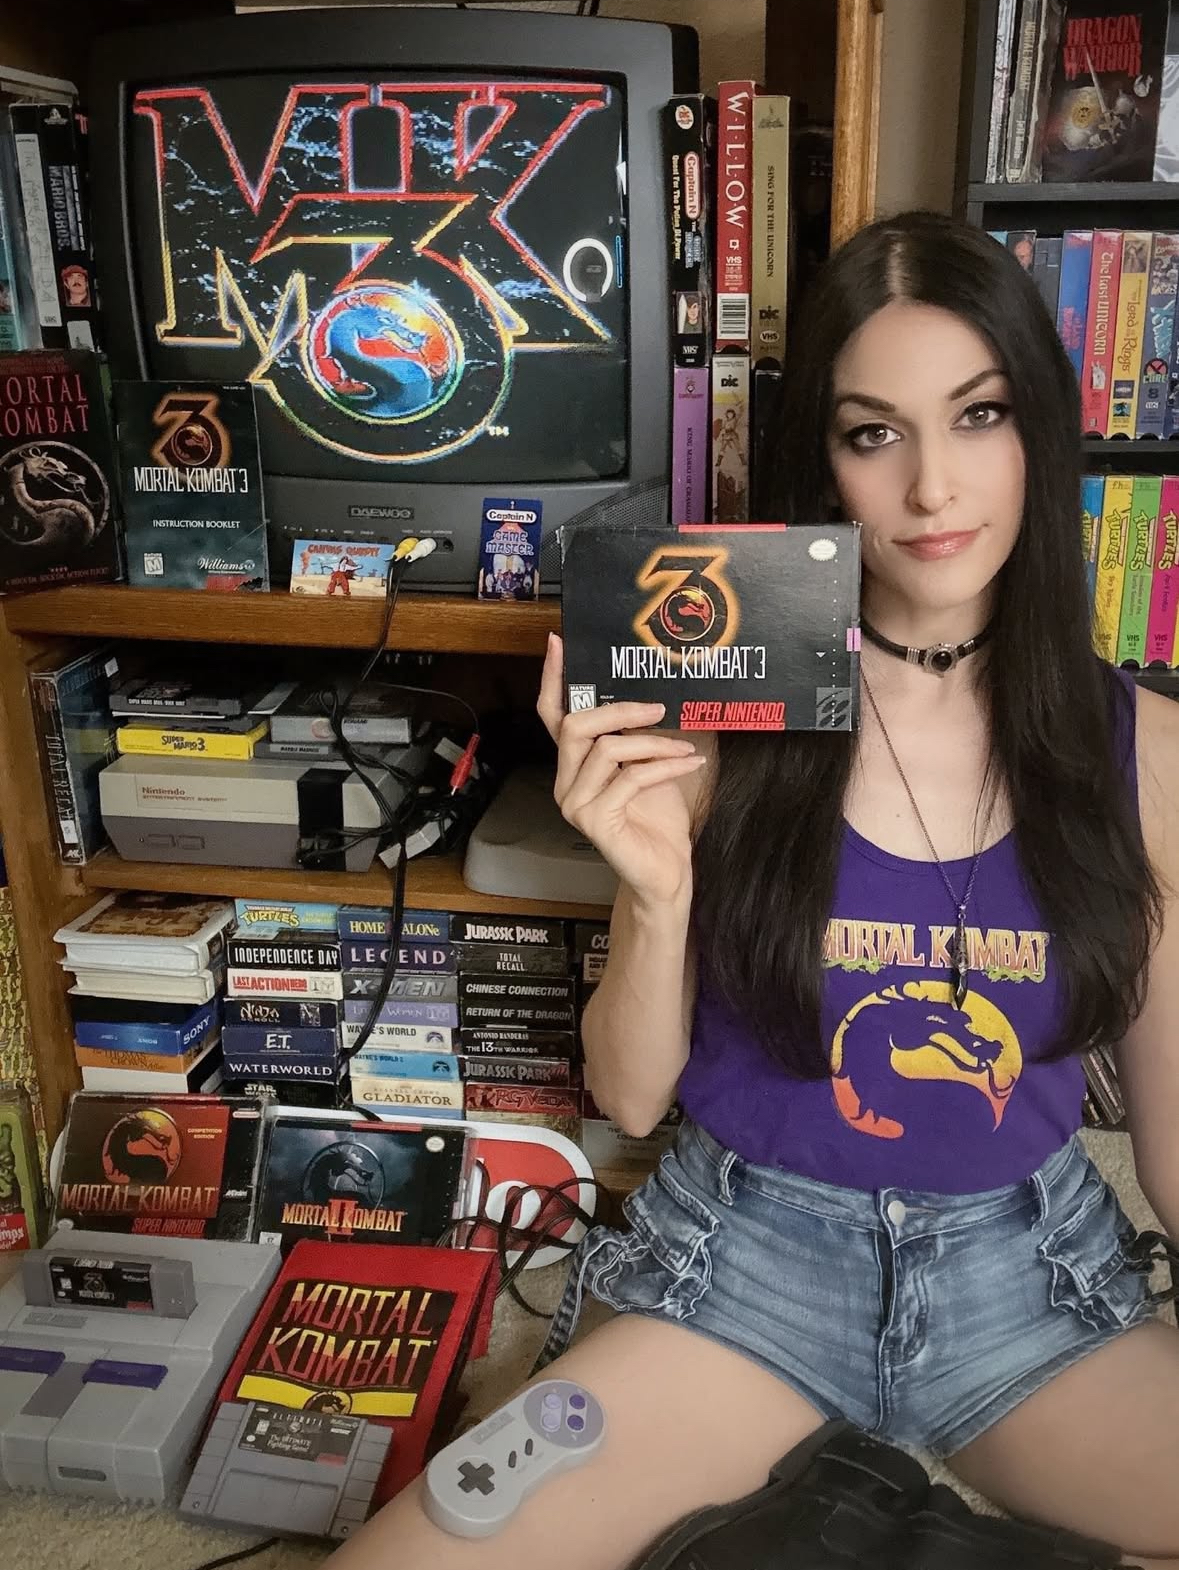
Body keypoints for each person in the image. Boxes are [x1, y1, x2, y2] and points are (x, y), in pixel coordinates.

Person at [324, 211, 1179, 1570]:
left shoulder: (1150, 754)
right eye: (874, 433)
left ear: (1039, 429)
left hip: (1025, 1277)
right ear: (823, 463)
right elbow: (630, 1098)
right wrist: (657, 888)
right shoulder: (724, 707)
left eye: (980, 415)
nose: (933, 487)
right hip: (745, 1265)